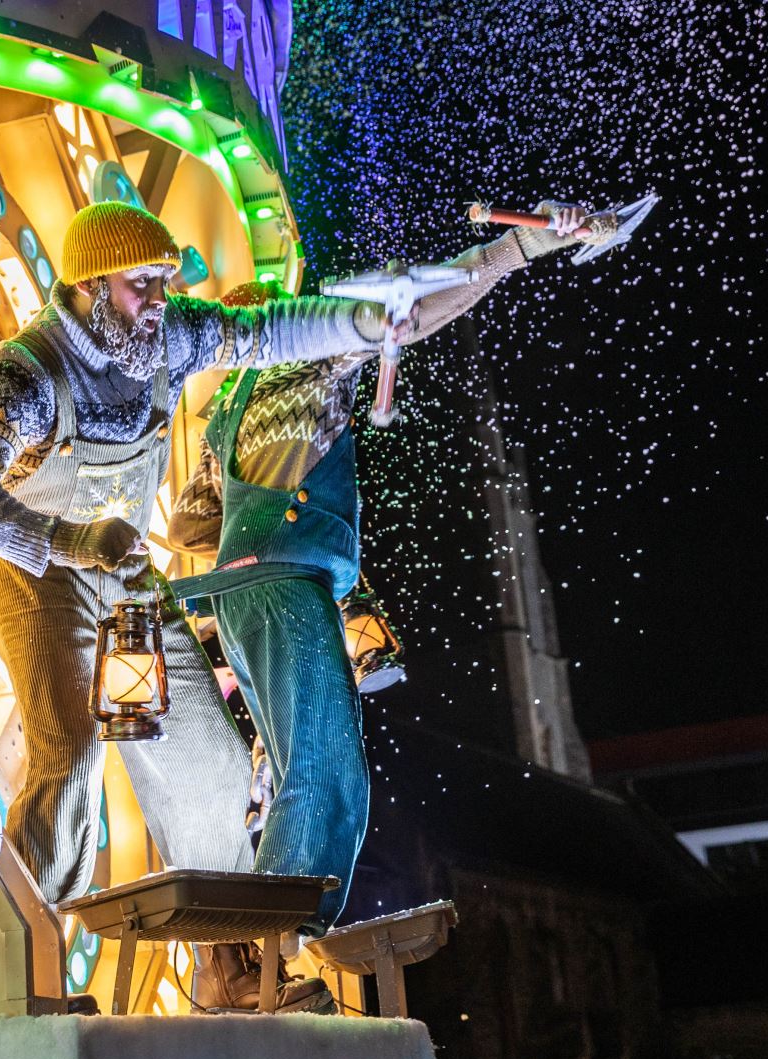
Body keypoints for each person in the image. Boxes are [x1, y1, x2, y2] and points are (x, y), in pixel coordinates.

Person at [0, 201, 406, 1011]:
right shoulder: (29, 373)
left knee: (209, 762)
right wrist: (66, 541)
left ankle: (230, 967)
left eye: (164, 282)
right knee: (69, 750)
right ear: (91, 284)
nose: (159, 298)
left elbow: (268, 333)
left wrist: (363, 321)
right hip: (37, 563)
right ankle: (8, 967)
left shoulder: (167, 336)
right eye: (143, 284)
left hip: (122, 562)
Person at [165, 204, 599, 955]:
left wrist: (259, 511)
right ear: (282, 320)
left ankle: (252, 945)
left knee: (280, 769)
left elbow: (188, 524)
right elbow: (418, 311)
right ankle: (272, 946)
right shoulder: (307, 360)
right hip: (291, 590)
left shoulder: (225, 410)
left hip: (235, 604)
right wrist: (517, 248)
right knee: (326, 773)